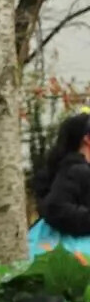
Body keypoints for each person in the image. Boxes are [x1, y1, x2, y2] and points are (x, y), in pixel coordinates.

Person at [30, 112, 90, 263]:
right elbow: (55, 208)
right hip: (78, 258)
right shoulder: (77, 170)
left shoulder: (64, 168)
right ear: (87, 139)